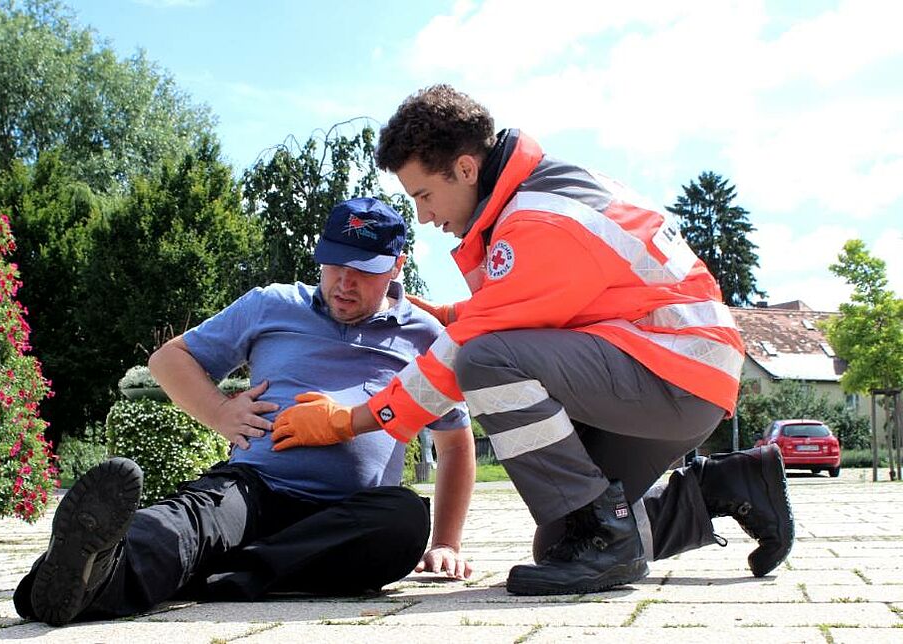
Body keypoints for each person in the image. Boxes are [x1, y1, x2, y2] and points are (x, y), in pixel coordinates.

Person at [271, 85, 794, 595]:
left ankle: (608, 536)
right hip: (668, 368)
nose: (424, 215)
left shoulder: (540, 220)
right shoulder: (539, 194)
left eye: (424, 195)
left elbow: (473, 350)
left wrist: (353, 420)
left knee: (484, 359)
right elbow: (550, 302)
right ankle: (728, 487)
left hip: (672, 372)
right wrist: (451, 314)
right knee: (564, 541)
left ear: (466, 169)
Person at [14, 197, 475, 626]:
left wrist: (446, 543)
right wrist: (219, 411)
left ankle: (212, 571)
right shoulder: (272, 304)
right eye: (334, 264)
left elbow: (454, 443)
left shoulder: (424, 335)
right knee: (190, 522)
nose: (343, 282)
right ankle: (77, 578)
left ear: (397, 266)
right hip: (253, 488)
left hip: (349, 516)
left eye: (362, 270)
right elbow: (168, 359)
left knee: (404, 519)